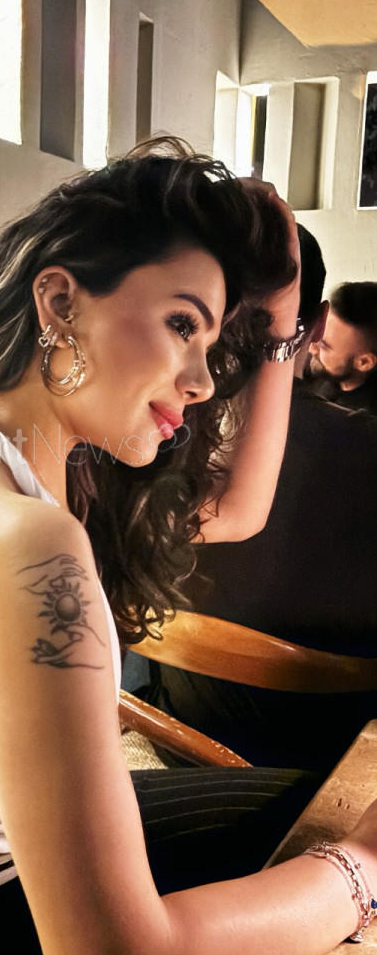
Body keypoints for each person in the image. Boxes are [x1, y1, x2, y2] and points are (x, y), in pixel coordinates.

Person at [0, 141, 377, 955]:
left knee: (311, 808)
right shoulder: (27, 544)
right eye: (179, 323)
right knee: (332, 879)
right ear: (59, 302)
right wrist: (359, 869)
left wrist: (280, 323)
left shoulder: (5, 456)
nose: (202, 380)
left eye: (213, 342)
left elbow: (237, 509)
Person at [131, 227, 377, 773]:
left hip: (172, 730)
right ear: (318, 326)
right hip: (331, 761)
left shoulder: (137, 436)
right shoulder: (363, 449)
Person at [306, 280, 377, 413]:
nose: (311, 348)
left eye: (324, 345)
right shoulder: (322, 372)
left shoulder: (364, 422)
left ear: (364, 362)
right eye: (316, 333)